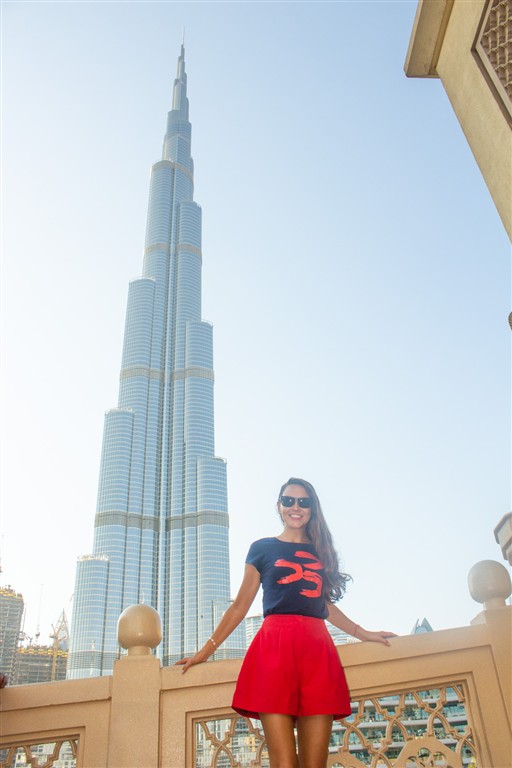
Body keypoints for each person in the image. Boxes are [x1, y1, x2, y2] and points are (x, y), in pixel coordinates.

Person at [177, 477, 395, 768]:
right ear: (278, 506)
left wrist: (362, 633)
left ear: (312, 508)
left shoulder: (321, 551)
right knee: (284, 763)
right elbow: (240, 606)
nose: (296, 507)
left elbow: (323, 605)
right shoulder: (262, 548)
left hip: (316, 651)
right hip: (274, 651)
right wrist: (205, 652)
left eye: (304, 502)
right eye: (289, 500)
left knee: (314, 764)